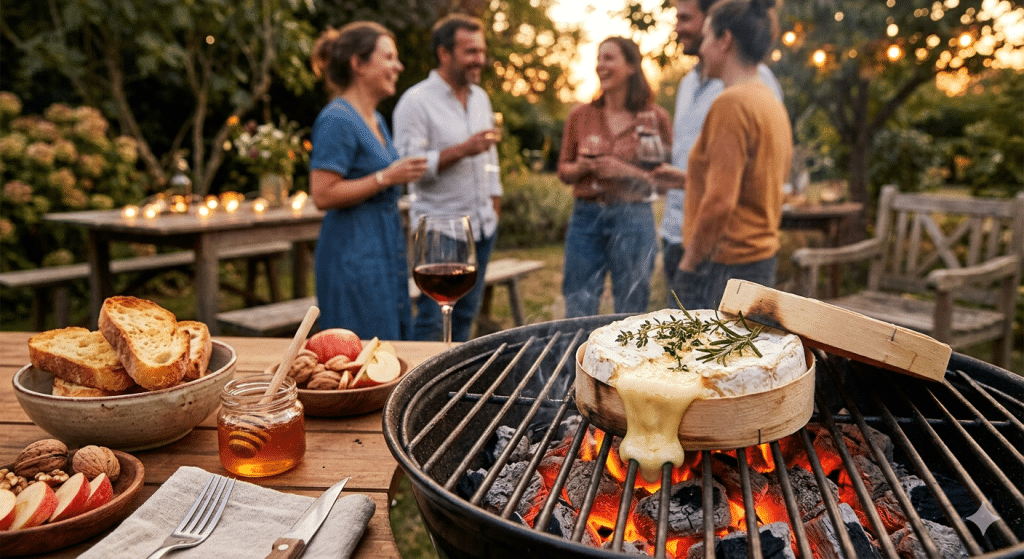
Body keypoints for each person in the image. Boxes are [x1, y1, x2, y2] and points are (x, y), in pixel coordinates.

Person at [654, 0, 783, 308]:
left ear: (725, 41)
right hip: (757, 262)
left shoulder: (731, 103)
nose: (702, 48)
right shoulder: (765, 98)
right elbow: (749, 183)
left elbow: (720, 201)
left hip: (720, 265)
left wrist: (688, 264)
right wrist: (688, 180)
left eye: (708, 38)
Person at [308, 22, 428, 340]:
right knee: (360, 350)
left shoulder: (376, 119)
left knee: (389, 347)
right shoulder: (337, 119)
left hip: (384, 250)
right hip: (353, 259)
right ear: (358, 64)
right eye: (388, 57)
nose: (398, 66)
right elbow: (322, 194)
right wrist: (387, 176)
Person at [393, 14, 503, 342]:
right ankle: (426, 376)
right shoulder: (415, 102)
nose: (479, 59)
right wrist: (463, 149)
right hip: (441, 232)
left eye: (481, 51)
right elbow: (408, 166)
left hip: (481, 226)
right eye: (470, 52)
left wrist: (495, 202)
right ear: (444, 53)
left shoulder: (480, 97)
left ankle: (456, 373)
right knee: (433, 320)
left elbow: (490, 157)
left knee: (466, 317)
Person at [556, 36, 671, 318]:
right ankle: (579, 348)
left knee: (632, 310)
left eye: (609, 58)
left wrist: (625, 172)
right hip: (586, 218)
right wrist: (582, 168)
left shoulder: (655, 118)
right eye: (598, 59)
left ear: (631, 66)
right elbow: (564, 171)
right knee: (578, 306)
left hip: (634, 218)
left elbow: (667, 181)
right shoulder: (580, 115)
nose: (600, 65)